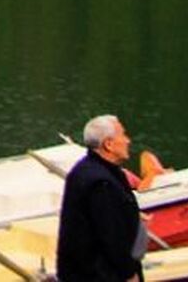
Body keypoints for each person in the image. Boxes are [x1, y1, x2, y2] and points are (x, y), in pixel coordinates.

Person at [56, 114, 147, 282]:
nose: (128, 141)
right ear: (109, 144)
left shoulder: (83, 170)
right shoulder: (101, 183)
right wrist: (129, 272)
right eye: (123, 135)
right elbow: (111, 235)